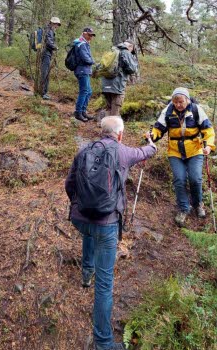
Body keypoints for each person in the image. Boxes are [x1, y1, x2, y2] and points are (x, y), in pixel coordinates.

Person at [65, 116, 157, 350]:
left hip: (79, 219)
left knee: (89, 233)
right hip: (107, 224)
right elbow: (144, 152)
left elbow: (69, 184)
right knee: (105, 286)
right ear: (120, 134)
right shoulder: (123, 152)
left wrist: (80, 206)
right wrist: (152, 144)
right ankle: (103, 343)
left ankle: (87, 272)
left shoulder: (85, 149)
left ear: (101, 132)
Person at [150, 87, 215, 227]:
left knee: (195, 179)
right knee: (179, 179)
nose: (178, 104)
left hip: (195, 150)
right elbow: (158, 128)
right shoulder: (168, 111)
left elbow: (208, 130)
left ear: (187, 99)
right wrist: (152, 136)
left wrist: (209, 146)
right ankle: (184, 208)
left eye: (181, 101)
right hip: (175, 151)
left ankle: (198, 204)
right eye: (175, 102)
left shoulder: (196, 110)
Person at [102, 39, 138, 117]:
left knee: (108, 108)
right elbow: (132, 69)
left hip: (106, 83)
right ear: (130, 46)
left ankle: (105, 127)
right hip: (117, 85)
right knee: (115, 111)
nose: (131, 51)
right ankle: (112, 128)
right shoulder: (125, 52)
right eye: (132, 50)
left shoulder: (113, 50)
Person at [73, 27, 96, 122]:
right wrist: (93, 61)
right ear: (84, 34)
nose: (91, 37)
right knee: (84, 91)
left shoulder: (85, 44)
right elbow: (85, 58)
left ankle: (83, 111)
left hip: (85, 70)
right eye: (89, 35)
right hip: (82, 70)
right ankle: (78, 112)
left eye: (92, 35)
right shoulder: (81, 44)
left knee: (88, 91)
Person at [41, 17, 61, 100]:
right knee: (45, 73)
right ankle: (43, 93)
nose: (57, 26)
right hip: (46, 53)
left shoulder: (50, 30)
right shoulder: (48, 30)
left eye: (57, 24)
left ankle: (44, 92)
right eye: (56, 24)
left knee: (46, 73)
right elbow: (49, 42)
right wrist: (55, 47)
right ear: (52, 23)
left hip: (47, 53)